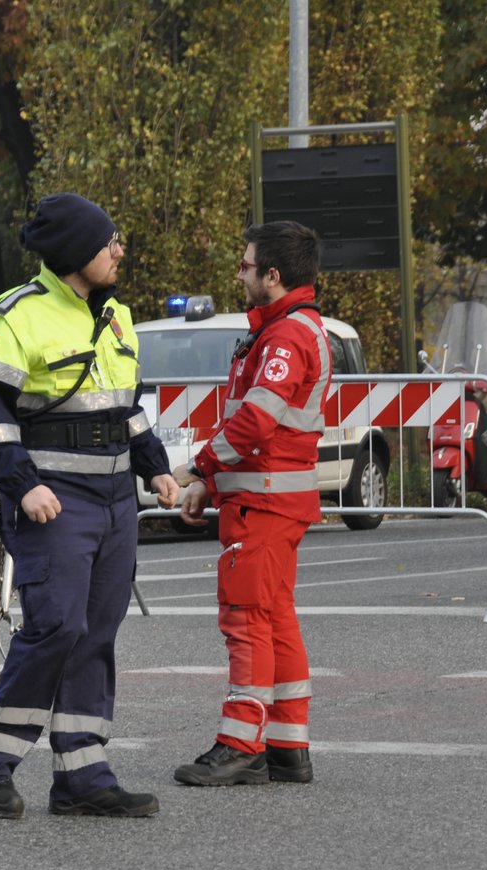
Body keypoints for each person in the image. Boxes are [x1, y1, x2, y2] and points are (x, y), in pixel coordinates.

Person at [0, 193, 181, 818]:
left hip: (114, 501)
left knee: (97, 634)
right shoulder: (15, 316)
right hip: (52, 500)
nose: (119, 250)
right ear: (78, 249)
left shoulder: (116, 317)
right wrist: (23, 484)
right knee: (58, 626)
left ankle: (83, 776)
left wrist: (155, 469)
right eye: (109, 240)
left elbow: (124, 406)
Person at [172, 220, 329, 786]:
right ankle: (288, 745)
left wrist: (196, 468)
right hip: (268, 501)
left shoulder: (285, 337)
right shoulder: (283, 331)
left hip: (263, 506)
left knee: (245, 622)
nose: (239, 274)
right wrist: (210, 487)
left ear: (273, 275)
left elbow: (257, 422)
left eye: (245, 266)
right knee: (275, 619)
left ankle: (241, 742)